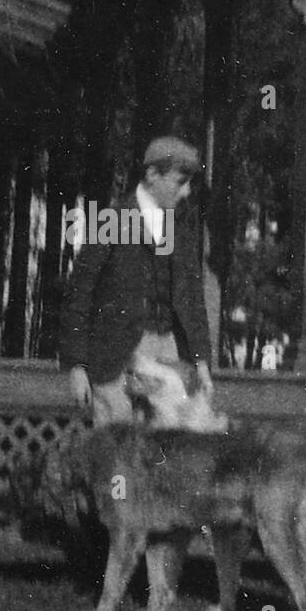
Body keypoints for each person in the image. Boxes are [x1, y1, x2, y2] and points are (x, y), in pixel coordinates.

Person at [59, 134, 216, 427]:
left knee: (168, 450)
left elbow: (192, 300)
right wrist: (76, 366)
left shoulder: (180, 229)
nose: (186, 193)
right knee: (115, 453)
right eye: (180, 182)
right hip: (113, 360)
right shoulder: (111, 221)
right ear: (152, 174)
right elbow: (78, 297)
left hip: (170, 358)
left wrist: (202, 363)